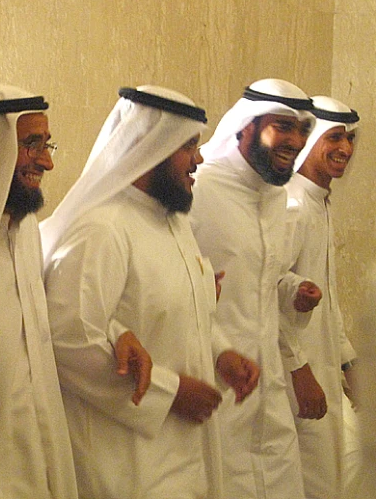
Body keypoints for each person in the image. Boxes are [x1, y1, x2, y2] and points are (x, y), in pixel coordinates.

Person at [0, 83, 151, 499]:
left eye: (47, 144)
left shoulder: (26, 230)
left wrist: (117, 331)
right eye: (30, 145)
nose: (47, 162)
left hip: (34, 466)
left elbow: (58, 310)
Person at [41, 86, 260, 499]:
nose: (198, 159)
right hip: (125, 464)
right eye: (188, 147)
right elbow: (69, 341)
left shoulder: (173, 224)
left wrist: (221, 354)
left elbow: (180, 311)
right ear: (149, 146)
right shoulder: (102, 229)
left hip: (181, 458)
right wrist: (171, 392)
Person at [190, 78, 322, 499]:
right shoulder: (199, 190)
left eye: (302, 130)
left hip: (269, 396)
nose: (295, 140)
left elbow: (265, 275)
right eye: (282, 127)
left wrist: (293, 289)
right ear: (245, 126)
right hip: (215, 389)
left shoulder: (276, 198)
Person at [282, 95, 360, 499]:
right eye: (334, 138)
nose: (345, 149)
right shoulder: (293, 206)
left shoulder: (318, 203)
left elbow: (327, 300)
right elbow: (270, 300)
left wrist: (350, 365)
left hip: (324, 370)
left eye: (348, 139)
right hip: (296, 377)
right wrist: (301, 371)